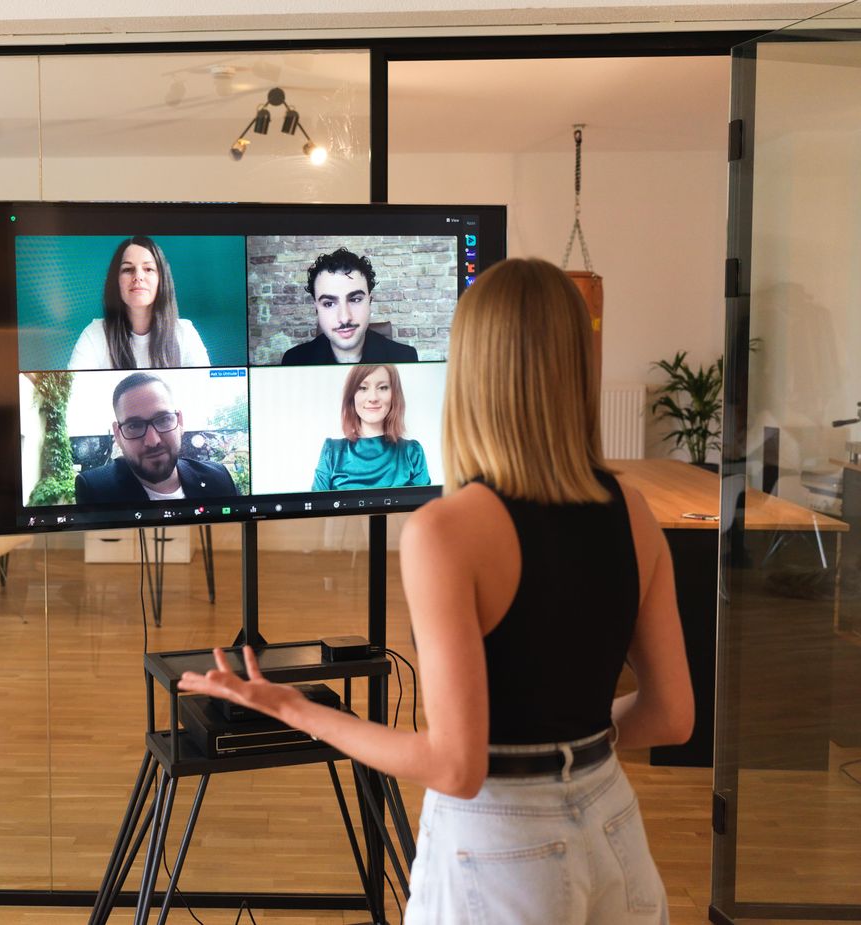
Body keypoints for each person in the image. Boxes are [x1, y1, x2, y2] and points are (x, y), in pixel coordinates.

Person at [181, 258, 694, 924]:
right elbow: (672, 716)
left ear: (471, 369)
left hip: (505, 855)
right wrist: (571, 747)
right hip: (616, 832)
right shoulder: (634, 510)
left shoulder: (445, 531)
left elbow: (456, 766)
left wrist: (292, 707)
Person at [74, 372, 237, 504]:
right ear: (118, 434)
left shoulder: (219, 479)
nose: (153, 441)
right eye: (134, 425)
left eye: (164, 419)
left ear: (179, 422)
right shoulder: (96, 491)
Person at [68, 236, 211, 370]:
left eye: (148, 269)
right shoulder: (94, 334)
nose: (138, 277)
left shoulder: (185, 333)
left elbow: (205, 389)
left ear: (161, 280)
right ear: (116, 281)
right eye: (128, 269)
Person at [281, 247, 419, 365]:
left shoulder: (405, 358)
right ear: (316, 308)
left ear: (369, 302)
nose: (345, 318)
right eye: (329, 304)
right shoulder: (294, 361)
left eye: (355, 300)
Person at [313, 364, 429, 491]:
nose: (373, 398)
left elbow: (426, 509)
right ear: (352, 396)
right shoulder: (332, 451)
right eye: (363, 388)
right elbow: (316, 509)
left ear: (394, 395)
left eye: (383, 387)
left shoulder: (412, 452)